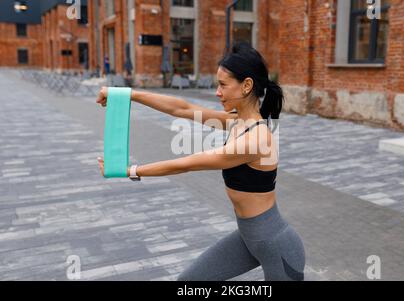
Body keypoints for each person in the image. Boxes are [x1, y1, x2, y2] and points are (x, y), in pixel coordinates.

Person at [96, 42, 305, 281]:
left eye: (223, 85)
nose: (217, 92)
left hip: (278, 249)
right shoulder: (237, 121)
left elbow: (188, 163)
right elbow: (182, 108)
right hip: (248, 239)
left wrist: (128, 170)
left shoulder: (257, 139)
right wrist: (125, 95)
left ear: (247, 86)